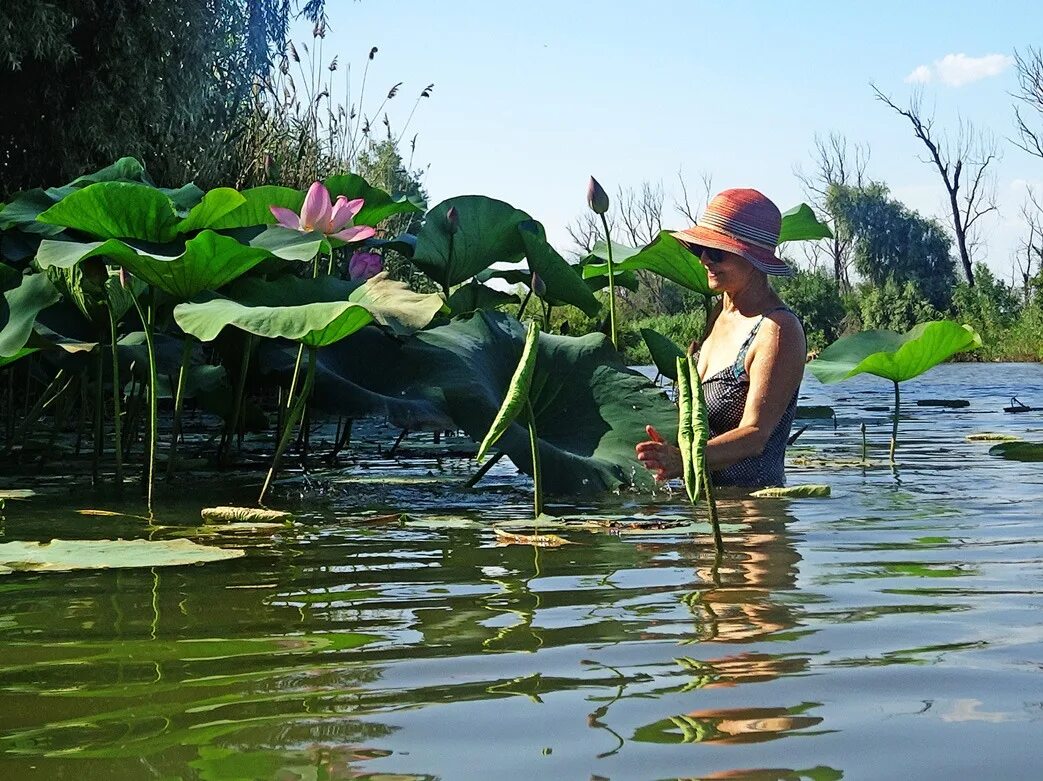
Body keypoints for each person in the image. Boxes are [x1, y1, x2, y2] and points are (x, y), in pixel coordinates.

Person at [635, 188, 806, 488]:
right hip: (704, 510)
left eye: (716, 251)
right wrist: (665, 451)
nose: (704, 260)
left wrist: (684, 459)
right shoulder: (719, 313)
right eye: (699, 249)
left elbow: (755, 435)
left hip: (752, 518)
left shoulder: (778, 330)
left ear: (753, 259)